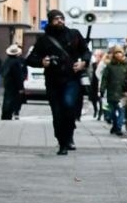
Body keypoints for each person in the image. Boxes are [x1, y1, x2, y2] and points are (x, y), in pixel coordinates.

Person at [26, 10, 91, 155]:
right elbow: (30, 59)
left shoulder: (74, 34)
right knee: (57, 113)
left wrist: (83, 63)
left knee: (68, 107)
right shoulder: (44, 40)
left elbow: (86, 51)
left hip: (71, 78)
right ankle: (62, 141)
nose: (60, 21)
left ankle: (68, 137)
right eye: (56, 19)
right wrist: (42, 62)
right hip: (53, 80)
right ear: (50, 22)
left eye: (62, 18)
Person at [100, 46, 127, 136]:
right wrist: (102, 89)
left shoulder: (126, 66)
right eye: (116, 53)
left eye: (120, 52)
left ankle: (118, 127)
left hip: (122, 92)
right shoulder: (109, 66)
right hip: (111, 92)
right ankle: (115, 125)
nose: (118, 54)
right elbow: (104, 78)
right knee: (112, 111)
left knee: (121, 110)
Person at [0, 43, 26, 120]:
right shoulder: (16, 62)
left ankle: (4, 114)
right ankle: (8, 114)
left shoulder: (7, 61)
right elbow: (18, 75)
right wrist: (21, 87)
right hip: (14, 84)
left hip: (7, 83)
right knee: (12, 99)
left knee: (6, 98)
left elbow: (2, 71)